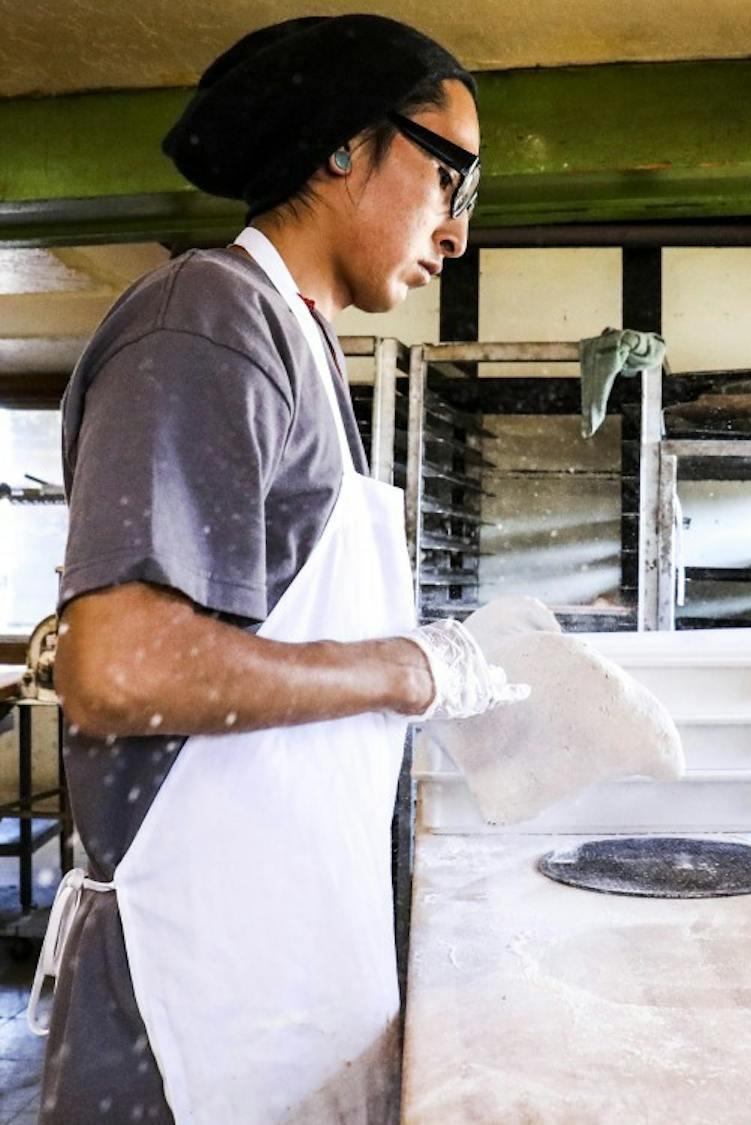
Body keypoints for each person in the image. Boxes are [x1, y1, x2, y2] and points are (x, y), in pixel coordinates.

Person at [37, 15, 519, 1124]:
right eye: (453, 177)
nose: (455, 232)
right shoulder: (206, 320)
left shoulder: (296, 346)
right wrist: (407, 672)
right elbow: (123, 669)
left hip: (277, 958)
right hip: (192, 995)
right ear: (346, 145)